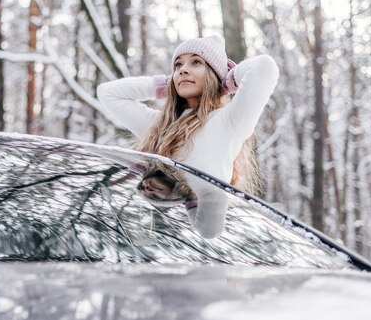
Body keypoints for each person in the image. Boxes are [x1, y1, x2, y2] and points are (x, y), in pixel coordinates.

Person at [97, 35, 279, 238]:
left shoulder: (229, 122)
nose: (183, 69)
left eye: (196, 62)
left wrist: (227, 82)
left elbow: (265, 68)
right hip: (140, 229)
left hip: (185, 245)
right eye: (177, 65)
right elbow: (107, 93)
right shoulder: (160, 126)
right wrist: (163, 86)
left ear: (213, 75)